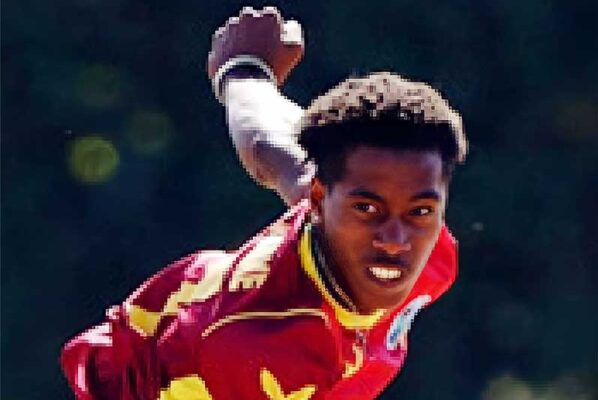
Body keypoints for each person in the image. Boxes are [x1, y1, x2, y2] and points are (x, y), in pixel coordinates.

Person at [61, 7, 467, 400]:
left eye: (420, 211)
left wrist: (243, 71)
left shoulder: (425, 247)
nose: (395, 239)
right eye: (367, 209)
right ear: (319, 200)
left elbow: (271, 145)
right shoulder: (263, 348)